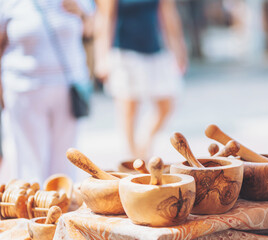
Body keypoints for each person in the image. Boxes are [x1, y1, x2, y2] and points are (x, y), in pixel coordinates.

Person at [0, 0, 93, 183]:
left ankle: (62, 205)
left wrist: (83, 15)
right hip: (23, 88)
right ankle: (31, 207)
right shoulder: (9, 4)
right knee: (28, 162)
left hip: (68, 87)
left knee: (65, 163)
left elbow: (93, 30)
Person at [95, 0, 187, 160]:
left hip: (154, 50)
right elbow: (105, 18)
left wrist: (179, 47)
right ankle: (132, 159)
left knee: (167, 104)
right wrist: (101, 57)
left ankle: (144, 144)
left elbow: (169, 14)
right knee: (129, 108)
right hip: (123, 52)